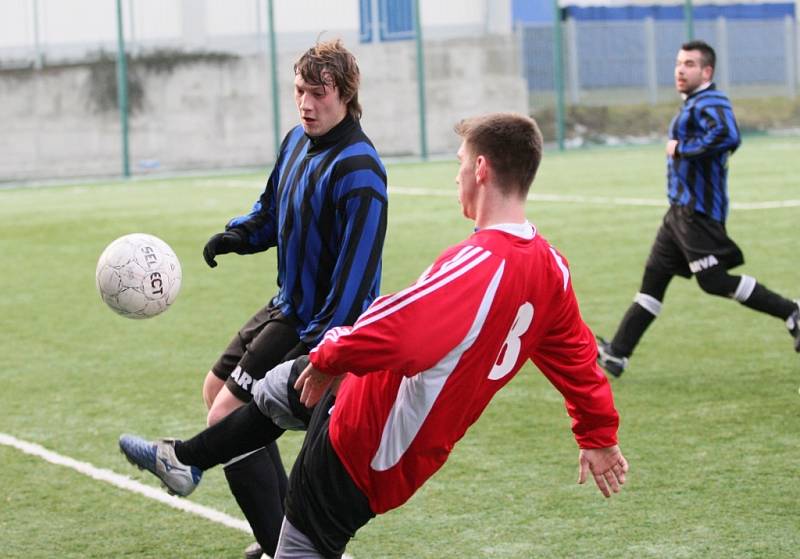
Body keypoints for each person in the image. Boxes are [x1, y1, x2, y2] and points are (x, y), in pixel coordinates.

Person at [120, 112, 627, 557]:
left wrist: (330, 355)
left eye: (458, 163)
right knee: (279, 385)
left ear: (481, 169)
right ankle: (185, 460)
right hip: (379, 411)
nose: (456, 177)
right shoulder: (550, 268)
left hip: (368, 441)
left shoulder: (480, 262)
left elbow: (401, 327)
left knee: (298, 546)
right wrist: (598, 435)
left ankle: (205, 473)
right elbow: (579, 359)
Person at [120, 39, 388, 559]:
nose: (305, 104)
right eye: (299, 91)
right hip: (286, 302)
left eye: (317, 93)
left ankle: (278, 544)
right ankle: (282, 536)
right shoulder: (294, 142)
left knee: (225, 417)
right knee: (215, 388)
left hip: (316, 322)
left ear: (345, 94)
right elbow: (271, 211)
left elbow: (358, 276)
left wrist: (327, 349)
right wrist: (238, 235)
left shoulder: (361, 168)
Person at [596, 40, 800, 378]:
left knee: (714, 281)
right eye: (678, 63)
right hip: (678, 213)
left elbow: (728, 135)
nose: (680, 69)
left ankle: (792, 311)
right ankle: (617, 353)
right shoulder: (693, 103)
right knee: (652, 283)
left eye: (689, 64)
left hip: (698, 212)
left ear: (707, 71)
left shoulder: (712, 100)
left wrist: (682, 150)